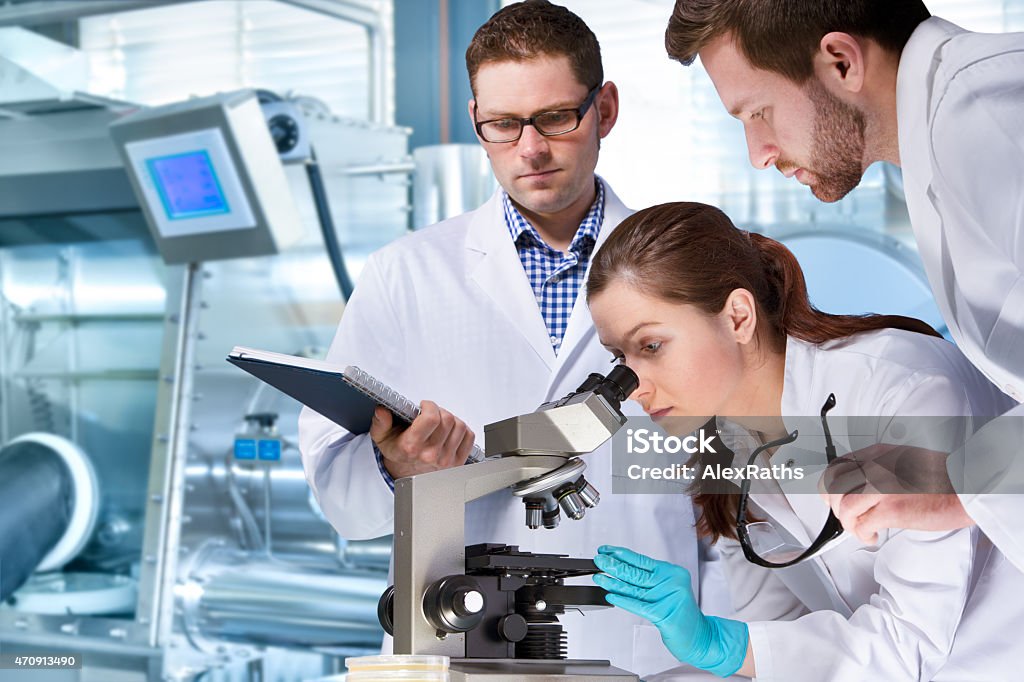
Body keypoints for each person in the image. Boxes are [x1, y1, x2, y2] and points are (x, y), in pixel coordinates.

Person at [298, 1, 703, 674]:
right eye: (503, 125)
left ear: (603, 107)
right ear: (475, 122)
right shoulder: (406, 274)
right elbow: (338, 495)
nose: (531, 148)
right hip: (456, 645)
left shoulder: (690, 266)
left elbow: (748, 471)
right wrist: (398, 469)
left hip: (649, 649)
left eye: (554, 118)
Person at [585, 201, 1021, 680]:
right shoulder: (724, 452)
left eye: (651, 346)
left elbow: (908, 643)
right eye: (619, 357)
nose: (635, 387)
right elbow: (774, 641)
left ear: (737, 317)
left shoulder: (899, 387)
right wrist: (713, 646)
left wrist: (721, 644)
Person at [664, 0, 1024, 572]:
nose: (758, 155)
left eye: (758, 112)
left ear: (840, 62)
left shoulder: (984, 112)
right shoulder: (947, 133)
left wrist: (964, 482)